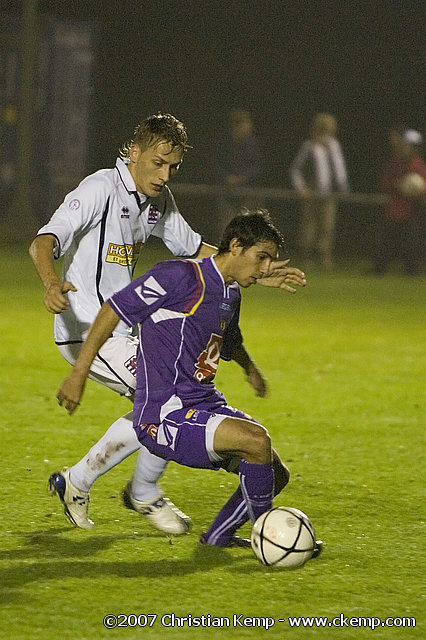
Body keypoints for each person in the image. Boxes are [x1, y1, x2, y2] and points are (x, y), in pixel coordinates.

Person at [30, 113, 306, 534]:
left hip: (126, 329)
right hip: (87, 327)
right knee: (165, 400)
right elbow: (44, 240)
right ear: (134, 152)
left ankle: (79, 481)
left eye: (173, 166)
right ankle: (141, 491)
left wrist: (255, 269)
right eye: (158, 163)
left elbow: (198, 250)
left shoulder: (157, 201)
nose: (165, 175)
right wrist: (52, 283)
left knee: (164, 399)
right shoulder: (100, 188)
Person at [53, 210, 319, 551]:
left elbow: (228, 341)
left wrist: (249, 368)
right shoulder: (179, 276)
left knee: (275, 472)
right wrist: (78, 374)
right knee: (256, 441)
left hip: (203, 404)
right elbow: (112, 311)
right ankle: (268, 540)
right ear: (236, 246)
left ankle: (219, 537)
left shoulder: (230, 293)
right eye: (261, 257)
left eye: (270, 260)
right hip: (165, 416)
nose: (267, 268)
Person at [290, 112, 349, 270]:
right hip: (312, 192)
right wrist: (301, 188)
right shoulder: (309, 146)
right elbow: (296, 169)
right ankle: (306, 256)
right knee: (309, 226)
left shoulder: (334, 145)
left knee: (327, 226)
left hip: (329, 193)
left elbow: (339, 167)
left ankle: (325, 257)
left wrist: (342, 185)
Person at [372, 128, 426, 276]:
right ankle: (379, 267)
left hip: (412, 209)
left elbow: (422, 186)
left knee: (411, 240)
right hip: (394, 207)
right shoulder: (394, 163)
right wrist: (398, 185)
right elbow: (386, 182)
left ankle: (411, 269)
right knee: (385, 239)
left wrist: (417, 190)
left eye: (408, 145)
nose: (404, 148)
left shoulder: (418, 165)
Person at [217, 109, 263, 225]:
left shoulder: (253, 144)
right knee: (227, 224)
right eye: (245, 124)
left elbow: (257, 166)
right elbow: (217, 163)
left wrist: (243, 177)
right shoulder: (224, 144)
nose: (248, 128)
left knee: (247, 224)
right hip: (227, 190)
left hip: (248, 191)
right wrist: (227, 177)